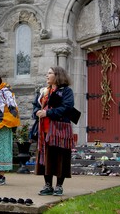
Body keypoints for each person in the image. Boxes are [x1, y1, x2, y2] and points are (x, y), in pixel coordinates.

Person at [35, 66, 75, 196]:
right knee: (46, 157)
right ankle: (48, 185)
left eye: (49, 73)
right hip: (44, 130)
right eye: (47, 73)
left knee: (60, 157)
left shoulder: (66, 91)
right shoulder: (44, 91)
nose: (47, 75)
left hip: (60, 130)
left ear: (57, 75)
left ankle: (58, 186)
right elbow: (36, 106)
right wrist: (37, 112)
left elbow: (67, 107)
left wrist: (47, 113)